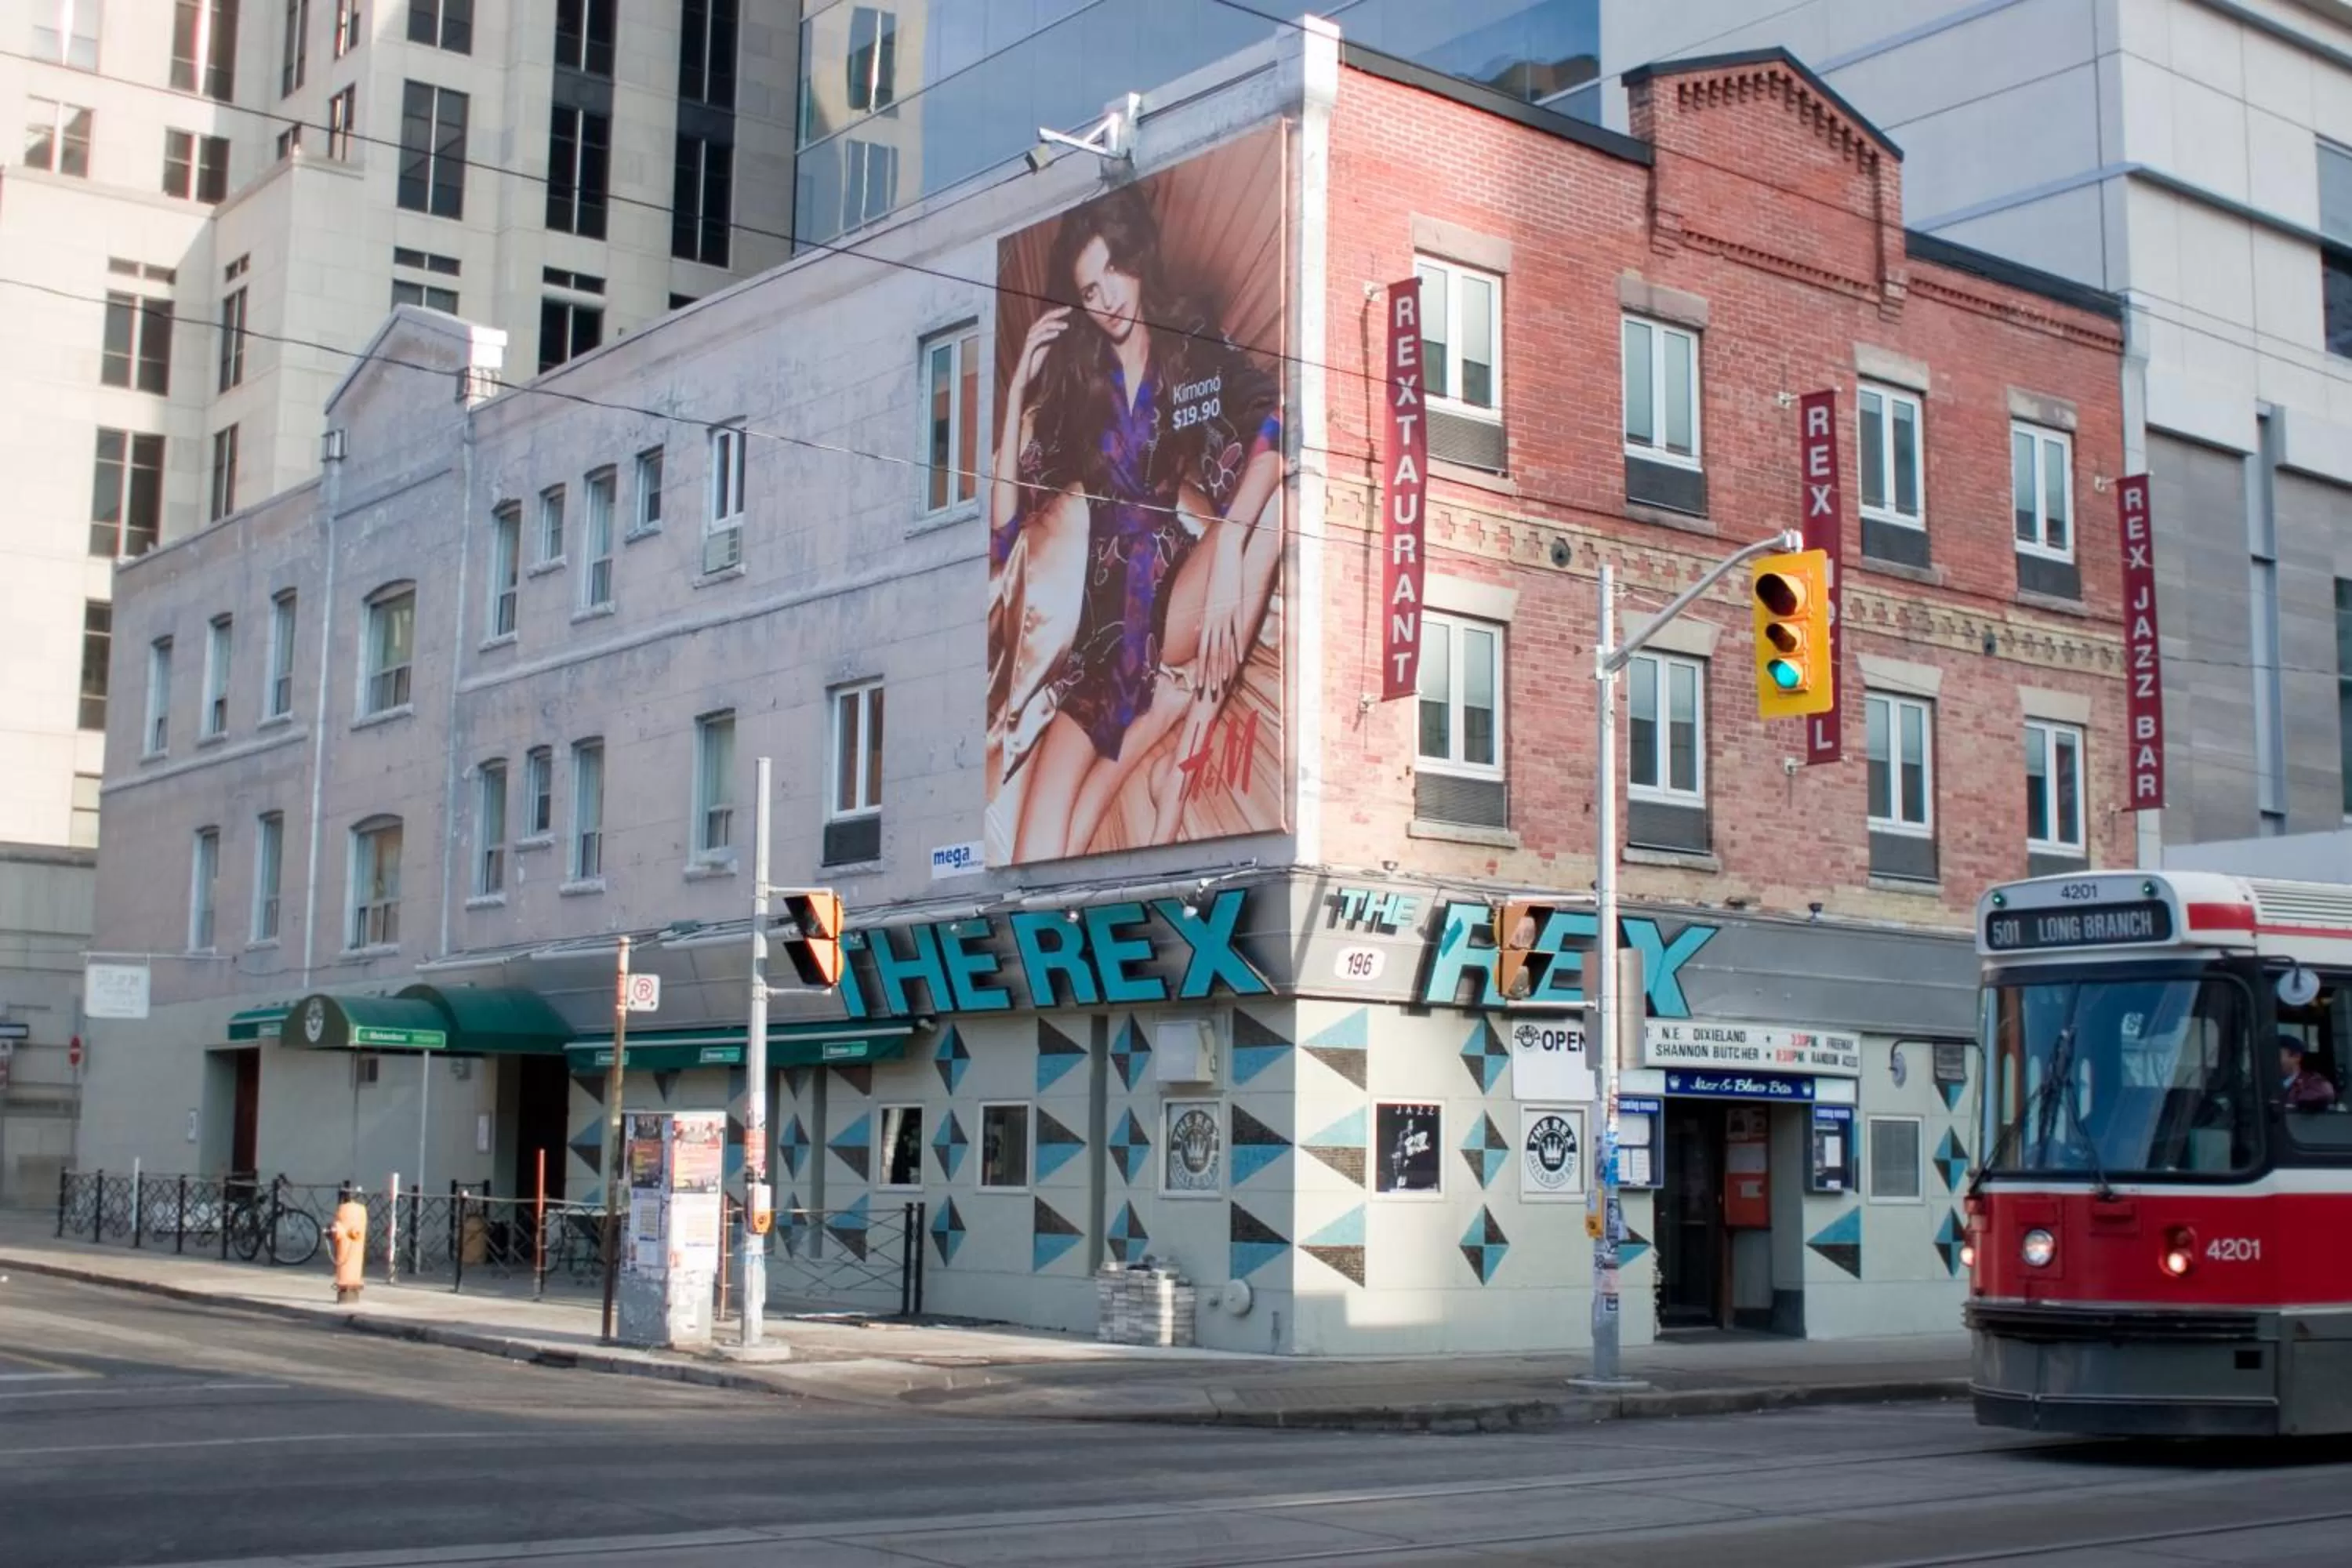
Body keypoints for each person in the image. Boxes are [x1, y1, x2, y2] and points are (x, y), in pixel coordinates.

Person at [988, 183, 1283, 863]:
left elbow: (1279, 420)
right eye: (1090, 290)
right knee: (1034, 859)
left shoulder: (1193, 346)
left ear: (1137, 260)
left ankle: (1174, 773)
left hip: (1175, 599)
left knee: (1284, 510)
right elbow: (1004, 534)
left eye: (1114, 272)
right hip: (1102, 645)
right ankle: (1156, 736)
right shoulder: (1076, 390)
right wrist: (1014, 399)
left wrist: (1231, 538)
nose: (1109, 298)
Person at [2278, 1036, 2336, 1112]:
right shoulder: (2263, 1083)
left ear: (2297, 1057)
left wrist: (2296, 1101)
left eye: (2277, 1056)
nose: (2270, 1060)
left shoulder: (2314, 1083)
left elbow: (2325, 1094)